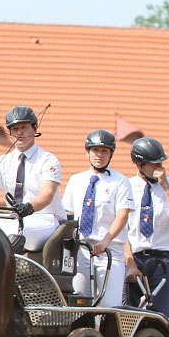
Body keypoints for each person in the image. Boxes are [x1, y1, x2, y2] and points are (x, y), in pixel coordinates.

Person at [0, 106, 66, 252]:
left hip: (44, 220)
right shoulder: (2, 162)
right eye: (15, 129)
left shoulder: (48, 160)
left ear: (34, 128)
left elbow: (47, 195)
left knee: (12, 231)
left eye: (24, 127)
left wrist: (29, 207)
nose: (19, 133)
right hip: (13, 220)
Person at [62, 130, 134, 307]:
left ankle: (109, 333)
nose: (99, 155)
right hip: (81, 249)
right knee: (78, 301)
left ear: (111, 154)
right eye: (95, 150)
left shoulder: (120, 181)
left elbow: (122, 215)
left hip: (110, 249)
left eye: (104, 151)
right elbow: (67, 215)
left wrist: (105, 241)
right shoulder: (76, 180)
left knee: (111, 304)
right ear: (88, 152)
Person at [123, 138, 169, 317]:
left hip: (164, 259)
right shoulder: (127, 186)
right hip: (137, 259)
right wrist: (130, 263)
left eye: (160, 163)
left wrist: (166, 187)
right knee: (131, 314)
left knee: (160, 315)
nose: (159, 168)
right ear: (139, 165)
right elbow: (122, 230)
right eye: (154, 164)